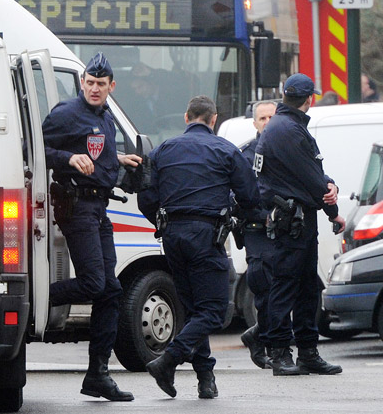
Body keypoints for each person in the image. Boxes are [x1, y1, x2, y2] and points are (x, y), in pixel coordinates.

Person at [137, 95, 260, 399]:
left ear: (186, 117)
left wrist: (163, 221)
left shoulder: (163, 150)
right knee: (215, 311)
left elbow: (146, 198)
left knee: (194, 309)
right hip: (206, 236)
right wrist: (246, 219)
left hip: (173, 236)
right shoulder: (226, 150)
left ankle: (206, 379)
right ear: (213, 119)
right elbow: (250, 197)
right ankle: (168, 360)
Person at [42, 52, 141, 402]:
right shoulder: (66, 113)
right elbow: (32, 146)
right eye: (90, 82)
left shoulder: (107, 117)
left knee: (111, 290)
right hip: (75, 205)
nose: (95, 88)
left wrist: (117, 159)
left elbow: (96, 152)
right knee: (94, 282)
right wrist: (67, 158)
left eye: (101, 84)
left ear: (111, 87)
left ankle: (97, 374)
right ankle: (37, 299)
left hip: (99, 208)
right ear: (81, 83)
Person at [253, 73, 345, 376]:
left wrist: (327, 184)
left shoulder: (281, 128)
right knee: (286, 287)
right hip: (294, 221)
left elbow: (309, 174)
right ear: (309, 99)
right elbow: (310, 177)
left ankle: (307, 352)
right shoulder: (290, 130)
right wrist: (334, 211)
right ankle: (280, 354)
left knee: (305, 287)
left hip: (295, 219)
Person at [238, 101, 276, 369]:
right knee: (265, 289)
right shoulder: (245, 155)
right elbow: (236, 196)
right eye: (262, 118)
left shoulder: (287, 147)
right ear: (255, 123)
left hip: (283, 229)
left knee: (283, 289)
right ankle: (271, 346)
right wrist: (262, 215)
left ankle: (258, 335)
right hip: (257, 230)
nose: (267, 122)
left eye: (272, 117)